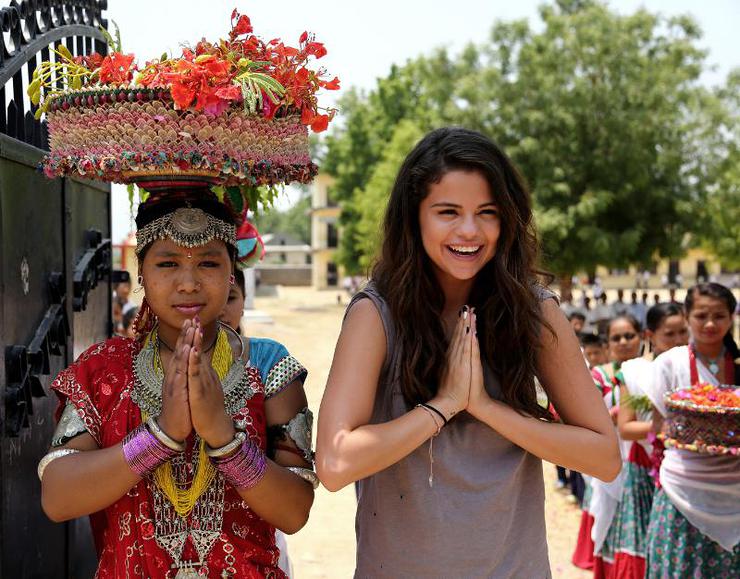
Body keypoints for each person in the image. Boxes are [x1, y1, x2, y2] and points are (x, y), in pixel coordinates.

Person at [315, 127, 620, 577]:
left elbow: (604, 458)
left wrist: (485, 407)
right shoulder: (376, 315)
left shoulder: (534, 312)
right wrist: (442, 407)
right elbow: (336, 464)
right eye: (448, 212)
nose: (470, 231)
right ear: (414, 216)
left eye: (487, 212)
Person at [39, 191, 317, 577]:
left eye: (208, 263)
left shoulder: (268, 367)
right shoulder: (103, 370)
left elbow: (294, 511)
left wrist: (224, 437)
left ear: (231, 273)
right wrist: (161, 435)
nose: (188, 283)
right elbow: (58, 497)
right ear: (142, 271)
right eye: (167, 263)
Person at [643, 283, 740, 577]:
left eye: (719, 316)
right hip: (682, 493)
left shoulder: (737, 363)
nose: (710, 324)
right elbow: (660, 426)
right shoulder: (668, 365)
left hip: (735, 495)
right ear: (686, 316)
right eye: (701, 316)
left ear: (732, 317)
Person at [219, 267, 295, 578]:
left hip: (257, 542)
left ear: (245, 300)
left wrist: (222, 438)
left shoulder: (267, 360)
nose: (219, 307)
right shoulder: (121, 368)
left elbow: (296, 505)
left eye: (231, 297)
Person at [608, 303, 688, 578]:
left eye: (683, 333)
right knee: (644, 545)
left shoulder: (693, 370)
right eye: (670, 334)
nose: (679, 341)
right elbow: (627, 427)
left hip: (689, 470)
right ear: (649, 336)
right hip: (645, 469)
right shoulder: (634, 373)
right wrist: (670, 430)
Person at [572, 315, 643, 572]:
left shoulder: (650, 372)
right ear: (608, 344)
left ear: (642, 337)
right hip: (610, 459)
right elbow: (583, 412)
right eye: (616, 338)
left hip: (643, 463)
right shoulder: (600, 376)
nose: (623, 342)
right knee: (610, 520)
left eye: (629, 336)